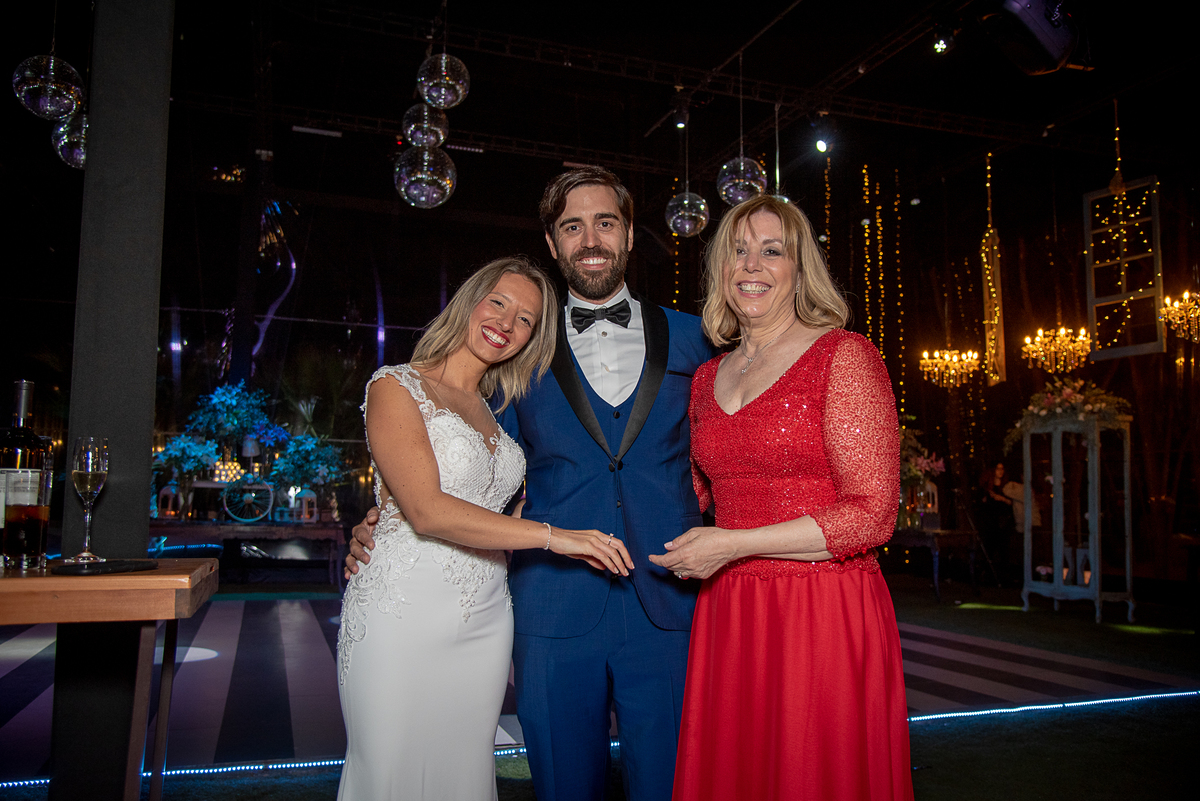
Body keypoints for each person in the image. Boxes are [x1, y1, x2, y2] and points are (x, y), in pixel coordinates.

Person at [347, 167, 714, 801]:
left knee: (671, 785)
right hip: (549, 605)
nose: (590, 239)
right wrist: (382, 513)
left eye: (605, 222)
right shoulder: (516, 354)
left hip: (668, 601)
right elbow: (460, 458)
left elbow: (730, 455)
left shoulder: (697, 338)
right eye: (573, 226)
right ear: (552, 242)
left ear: (630, 234)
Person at [336, 256, 634, 801]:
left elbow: (498, 511)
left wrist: (578, 527)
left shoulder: (498, 411)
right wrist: (556, 538)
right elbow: (426, 510)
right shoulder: (396, 385)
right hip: (403, 609)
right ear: (469, 302)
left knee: (465, 774)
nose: (506, 323)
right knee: (391, 770)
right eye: (498, 302)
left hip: (486, 618)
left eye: (526, 319)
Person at [649, 195, 914, 800]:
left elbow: (872, 516)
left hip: (822, 607)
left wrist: (732, 545)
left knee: (811, 772)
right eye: (737, 251)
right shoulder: (707, 377)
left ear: (800, 269)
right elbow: (692, 491)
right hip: (730, 609)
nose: (752, 265)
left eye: (772, 251)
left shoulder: (843, 355)